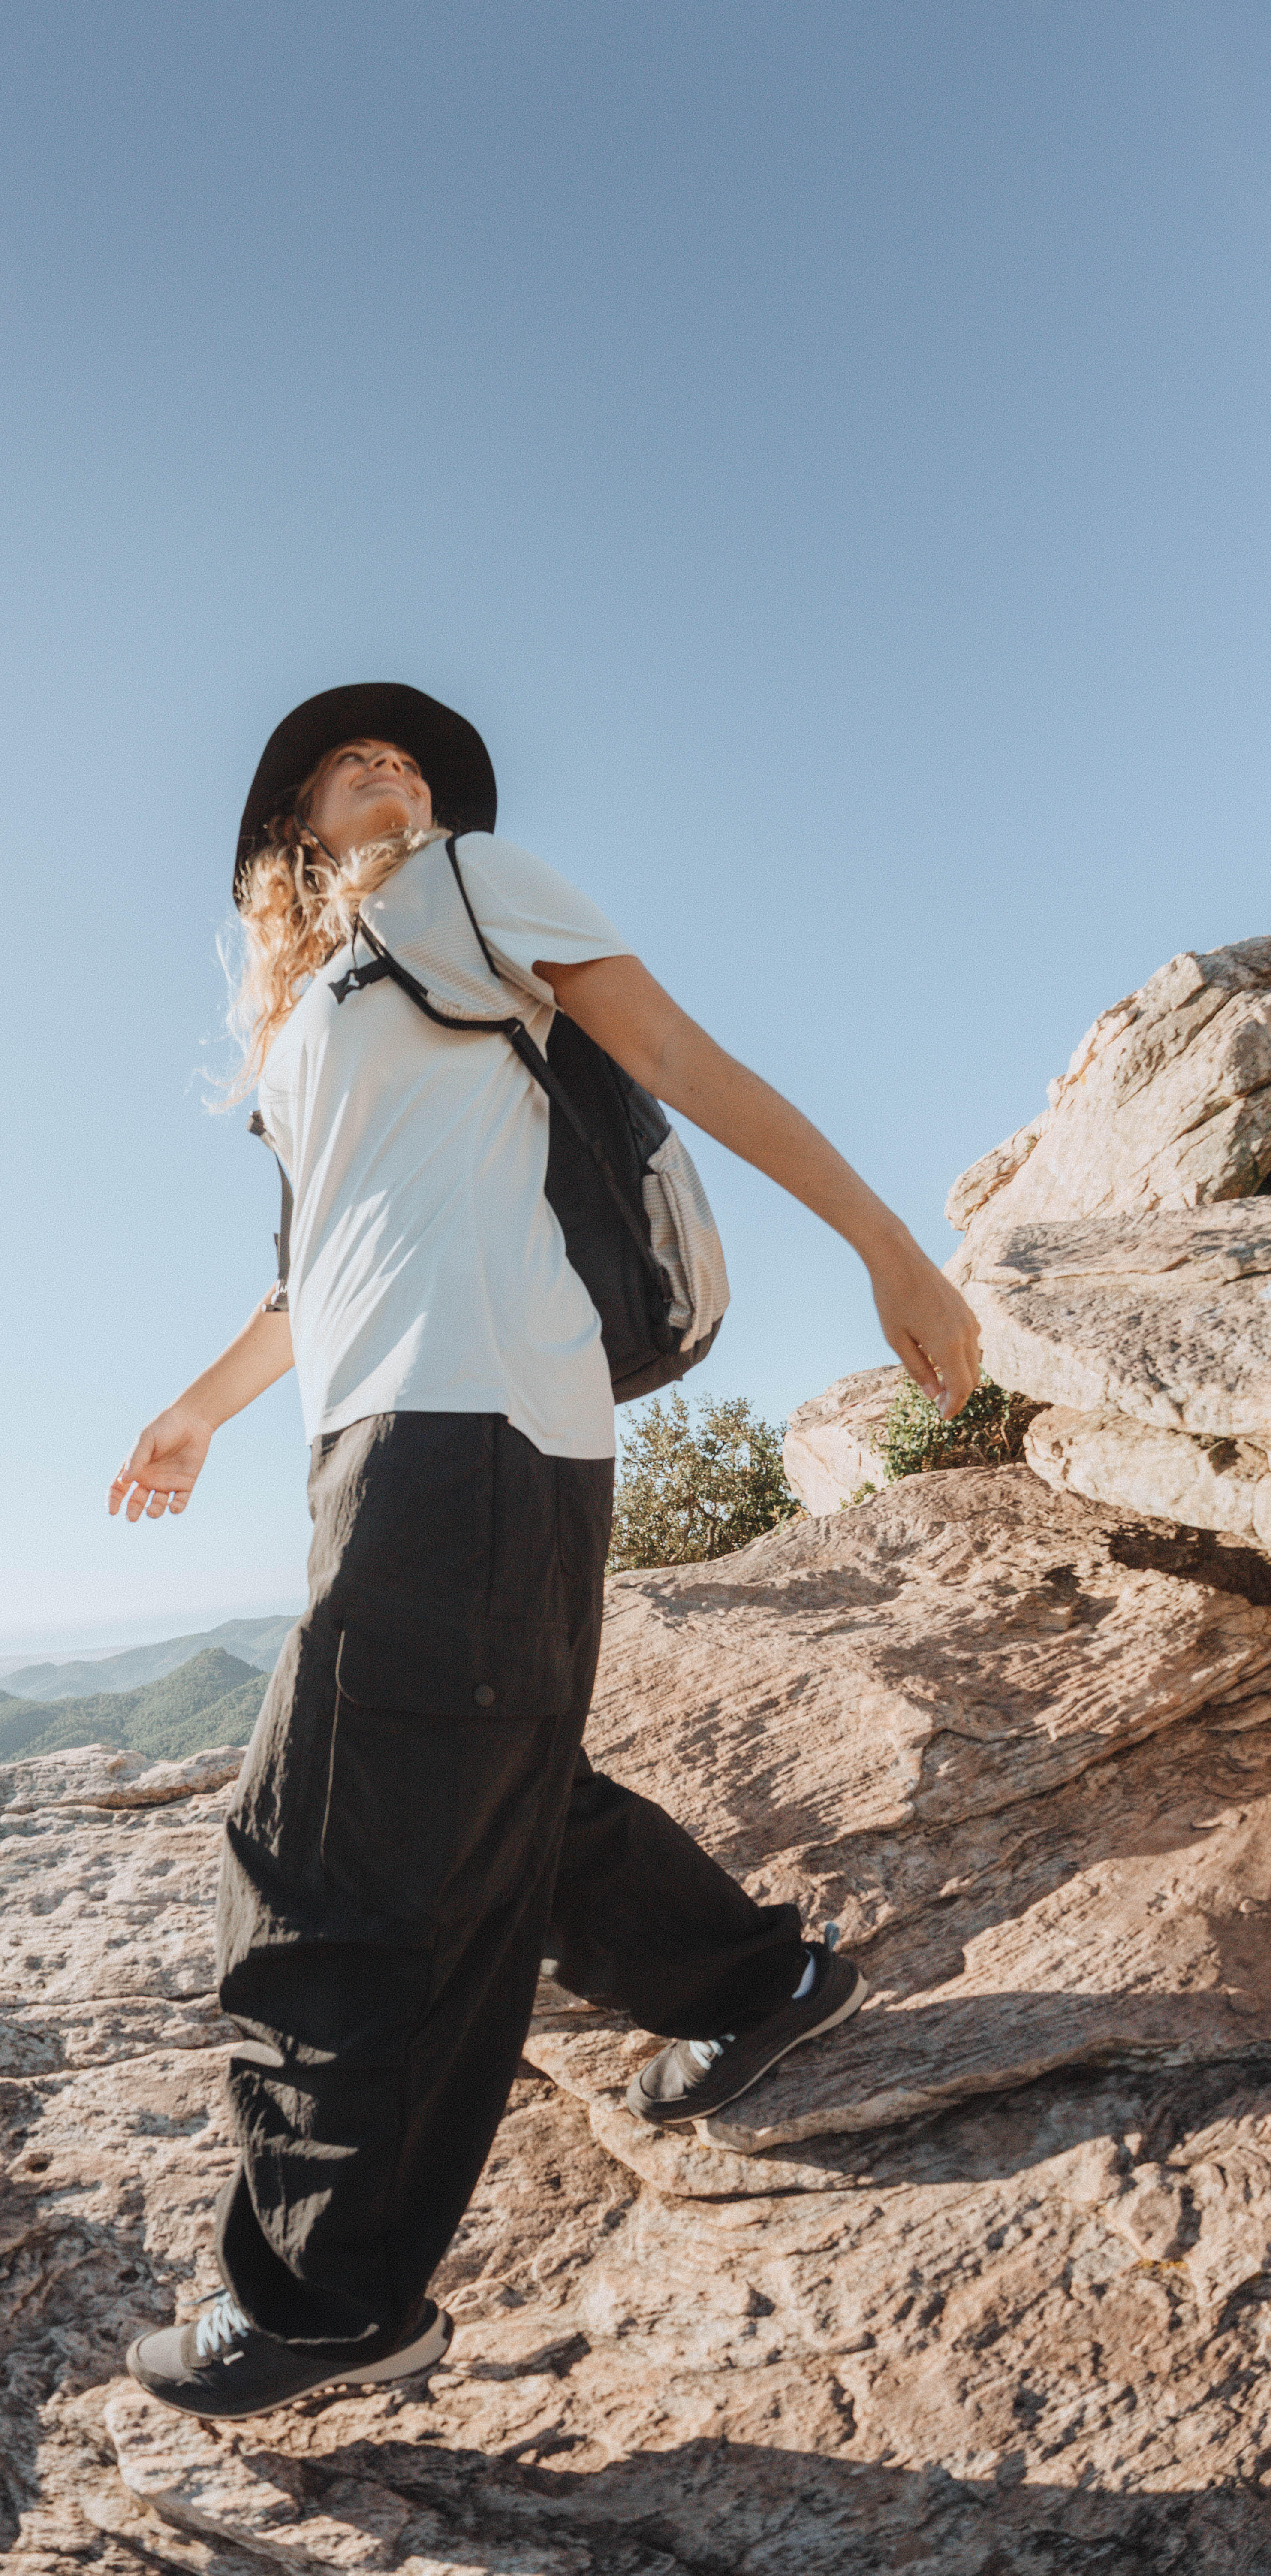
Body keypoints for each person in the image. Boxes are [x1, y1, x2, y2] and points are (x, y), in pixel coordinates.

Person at [111, 683, 982, 2421]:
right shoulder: (309, 1024)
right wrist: (196, 1412)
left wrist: (887, 1245)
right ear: (284, 824)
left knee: (322, 1852)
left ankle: (327, 2300)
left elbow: (678, 1062)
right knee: (495, 1774)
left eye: (409, 759)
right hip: (392, 1434)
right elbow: (312, 1278)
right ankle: (761, 1984)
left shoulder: (468, 885)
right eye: (353, 760)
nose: (396, 769)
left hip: (477, 1417)